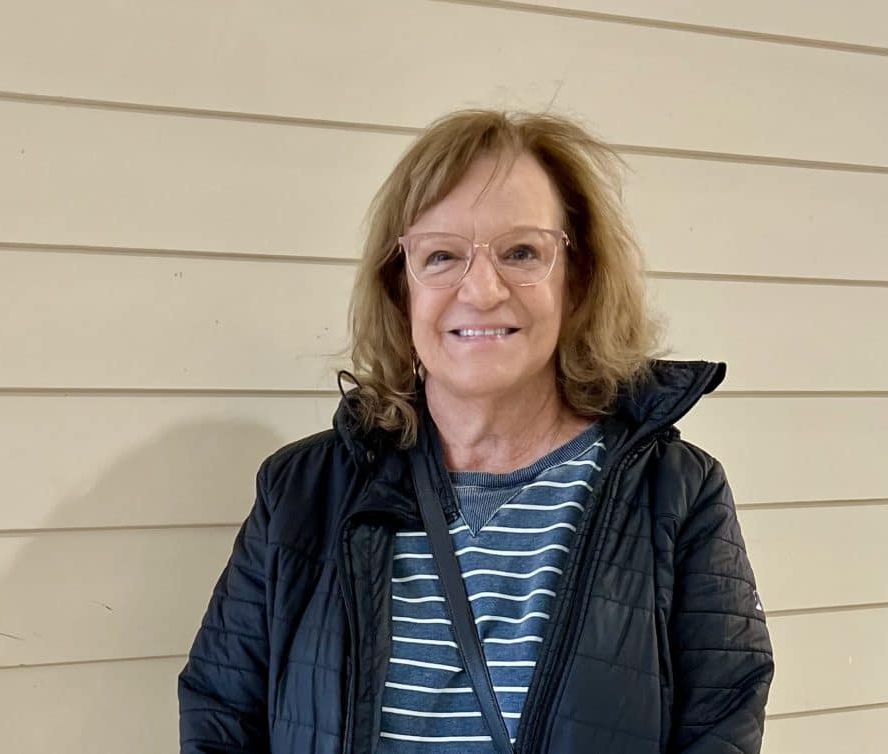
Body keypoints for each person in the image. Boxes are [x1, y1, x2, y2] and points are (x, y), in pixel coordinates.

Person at [178, 109, 774, 754]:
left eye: (522, 252)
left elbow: (721, 722)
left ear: (577, 279)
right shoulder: (300, 492)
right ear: (400, 288)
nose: (483, 290)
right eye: (441, 255)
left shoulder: (676, 493)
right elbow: (221, 716)